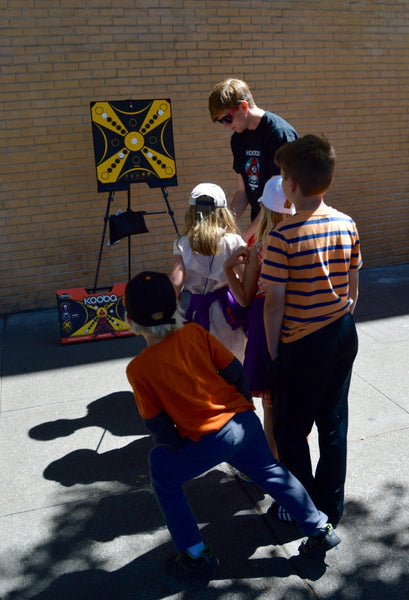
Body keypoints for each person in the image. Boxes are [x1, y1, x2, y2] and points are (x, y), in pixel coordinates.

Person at [125, 270, 341, 579]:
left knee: (160, 467)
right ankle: (318, 527)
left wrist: (177, 446)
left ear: (129, 318)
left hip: (204, 441)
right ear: (176, 307)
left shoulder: (139, 369)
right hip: (243, 424)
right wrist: (243, 406)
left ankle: (194, 553)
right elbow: (235, 372)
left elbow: (157, 424)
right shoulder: (196, 334)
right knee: (273, 473)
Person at [261, 134, 362, 528]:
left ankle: (304, 507)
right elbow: (353, 286)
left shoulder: (282, 237)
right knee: (333, 425)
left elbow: (274, 305)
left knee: (291, 431)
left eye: (284, 175)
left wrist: (274, 353)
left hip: (299, 345)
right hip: (341, 333)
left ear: (290, 185)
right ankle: (330, 507)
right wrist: (340, 315)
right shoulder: (347, 223)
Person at [223, 175, 295, 459]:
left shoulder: (260, 249)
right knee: (295, 401)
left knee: (271, 406)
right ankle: (294, 461)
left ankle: (273, 462)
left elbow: (244, 297)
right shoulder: (303, 241)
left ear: (264, 209)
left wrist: (230, 269)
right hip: (301, 327)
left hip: (267, 332)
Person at [208, 78, 298, 242]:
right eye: (220, 121)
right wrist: (225, 228)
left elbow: (279, 198)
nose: (225, 126)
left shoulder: (279, 134)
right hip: (261, 225)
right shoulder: (238, 139)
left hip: (285, 230)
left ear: (243, 107)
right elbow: (243, 191)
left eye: (227, 119)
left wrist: (244, 237)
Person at [170, 182, 247, 363]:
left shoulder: (182, 242)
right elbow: (244, 278)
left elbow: (176, 279)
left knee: (204, 358)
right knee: (233, 358)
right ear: (223, 212)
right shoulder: (233, 241)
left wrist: (174, 299)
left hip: (197, 308)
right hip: (228, 310)